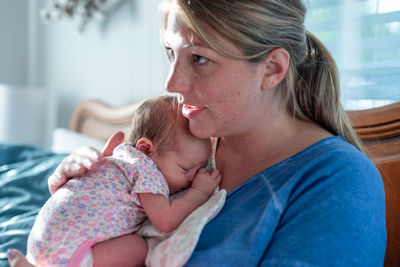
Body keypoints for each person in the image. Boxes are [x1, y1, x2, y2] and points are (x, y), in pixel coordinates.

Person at [8, 0, 386, 266]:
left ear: (272, 68)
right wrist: (70, 183)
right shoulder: (181, 137)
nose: (171, 83)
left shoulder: (337, 181)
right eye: (171, 54)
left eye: (200, 59)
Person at [25, 95, 221, 267]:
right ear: (145, 149)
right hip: (69, 254)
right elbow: (166, 221)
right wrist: (199, 192)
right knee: (138, 248)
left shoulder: (118, 161)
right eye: (185, 169)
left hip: (39, 244)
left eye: (200, 169)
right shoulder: (146, 169)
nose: (193, 177)